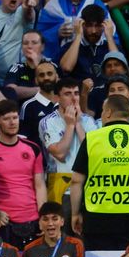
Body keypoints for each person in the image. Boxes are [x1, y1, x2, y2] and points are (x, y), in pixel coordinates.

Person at [70, 95, 129, 250]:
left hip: (97, 220)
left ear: (108, 113)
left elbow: (76, 180)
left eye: (102, 111)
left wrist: (75, 213)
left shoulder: (92, 138)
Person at [0, 100, 47, 249]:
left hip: (33, 221)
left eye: (15, 118)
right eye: (6, 118)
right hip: (2, 222)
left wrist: (43, 218)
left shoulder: (33, 148)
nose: (12, 122)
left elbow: (40, 185)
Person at [39, 78, 98, 214]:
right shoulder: (48, 122)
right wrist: (70, 125)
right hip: (60, 184)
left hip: (87, 185)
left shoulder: (88, 121)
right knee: (63, 231)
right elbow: (60, 154)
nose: (74, 98)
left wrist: (77, 123)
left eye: (76, 93)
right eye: (67, 94)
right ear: (56, 98)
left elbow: (94, 153)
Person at [37, 0, 110, 61]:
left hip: (92, 56)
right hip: (63, 56)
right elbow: (40, 33)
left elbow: (110, 32)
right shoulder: (53, 5)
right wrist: (57, 32)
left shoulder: (95, 3)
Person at [59, 5, 119, 81]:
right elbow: (66, 68)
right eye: (89, 25)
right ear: (82, 25)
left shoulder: (111, 46)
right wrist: (78, 35)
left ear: (104, 25)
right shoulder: (69, 47)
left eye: (98, 26)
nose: (93, 31)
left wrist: (109, 37)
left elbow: (118, 70)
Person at [20, 60, 60, 148]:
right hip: (40, 159)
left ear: (57, 77)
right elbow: (23, 139)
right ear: (36, 80)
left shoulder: (64, 102)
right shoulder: (28, 106)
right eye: (41, 75)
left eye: (49, 74)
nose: (46, 78)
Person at [4, 30, 51, 101]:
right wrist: (40, 90)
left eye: (34, 43)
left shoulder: (52, 65)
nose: (29, 46)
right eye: (25, 43)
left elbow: (56, 89)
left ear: (42, 47)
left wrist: (37, 65)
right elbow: (10, 91)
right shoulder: (16, 67)